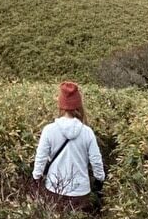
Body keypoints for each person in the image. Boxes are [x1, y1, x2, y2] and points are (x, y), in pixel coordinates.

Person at [32, 81, 105, 211]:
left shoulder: (49, 130)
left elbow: (41, 158)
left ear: (61, 105)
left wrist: (36, 177)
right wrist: (99, 180)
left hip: (54, 189)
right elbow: (96, 161)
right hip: (80, 192)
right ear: (78, 105)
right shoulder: (87, 132)